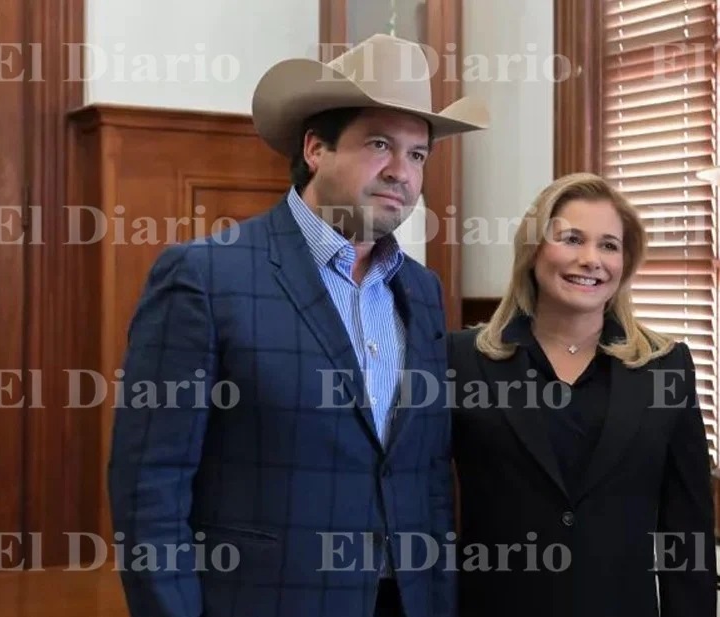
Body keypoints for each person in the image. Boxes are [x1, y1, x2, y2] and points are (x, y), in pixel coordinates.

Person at [106, 34, 488, 617]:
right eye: (379, 144)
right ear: (315, 147)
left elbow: (427, 473)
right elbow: (149, 490)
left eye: (417, 154)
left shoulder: (423, 291)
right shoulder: (205, 276)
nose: (401, 173)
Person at [447, 172, 717, 617]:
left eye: (609, 245)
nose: (591, 259)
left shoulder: (665, 366)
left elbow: (686, 529)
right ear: (533, 250)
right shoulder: (460, 359)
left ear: (625, 263)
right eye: (572, 239)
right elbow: (428, 502)